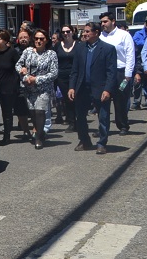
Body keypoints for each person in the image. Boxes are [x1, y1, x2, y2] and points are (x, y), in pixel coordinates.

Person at [68, 21, 117, 154]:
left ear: (96, 33)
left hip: (100, 88)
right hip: (82, 88)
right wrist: (71, 87)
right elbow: (75, 70)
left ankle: (102, 143)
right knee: (80, 116)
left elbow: (111, 72)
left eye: (87, 31)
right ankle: (85, 141)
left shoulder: (108, 49)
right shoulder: (80, 48)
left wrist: (107, 89)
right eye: (84, 31)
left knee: (103, 116)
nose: (84, 33)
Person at [16, 28, 59, 149]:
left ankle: (39, 137)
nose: (38, 41)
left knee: (40, 111)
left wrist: (37, 79)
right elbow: (18, 64)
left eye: (41, 39)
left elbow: (54, 73)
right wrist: (22, 71)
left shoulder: (51, 54)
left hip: (43, 88)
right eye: (36, 39)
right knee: (33, 112)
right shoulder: (28, 51)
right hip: (29, 88)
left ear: (46, 40)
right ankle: (39, 131)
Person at [98, 12, 135, 136]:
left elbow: (130, 55)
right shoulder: (100, 37)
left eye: (105, 21)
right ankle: (103, 128)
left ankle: (123, 125)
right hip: (105, 73)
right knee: (103, 101)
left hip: (121, 73)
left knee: (120, 101)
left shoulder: (124, 35)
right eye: (101, 22)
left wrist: (128, 74)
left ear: (113, 21)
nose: (103, 24)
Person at [55, 26, 79, 132]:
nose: (65, 33)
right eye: (63, 32)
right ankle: (72, 122)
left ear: (72, 32)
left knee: (77, 99)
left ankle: (79, 121)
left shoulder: (79, 45)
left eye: (67, 31)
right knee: (67, 100)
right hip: (62, 76)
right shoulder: (57, 46)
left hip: (76, 76)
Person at [132, 15, 147, 110]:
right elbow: (137, 42)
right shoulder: (138, 33)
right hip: (138, 61)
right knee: (137, 83)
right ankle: (136, 102)